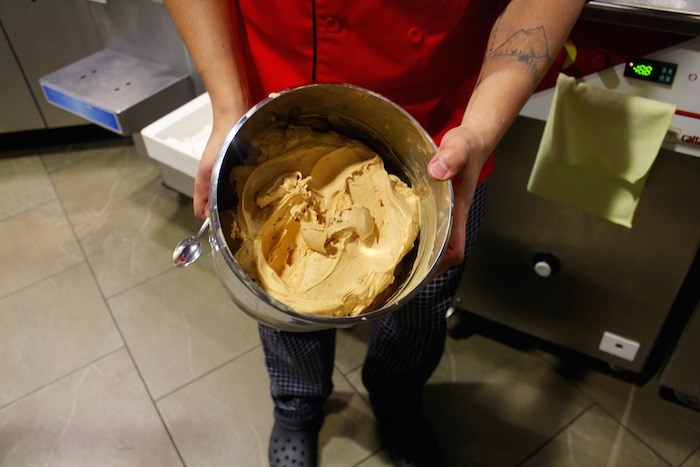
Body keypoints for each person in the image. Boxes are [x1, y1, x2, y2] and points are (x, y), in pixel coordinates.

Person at [164, 1, 585, 465]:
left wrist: (479, 132)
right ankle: (297, 405)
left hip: (441, 129)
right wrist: (227, 104)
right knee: (282, 306)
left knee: (420, 308)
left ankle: (397, 399)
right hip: (269, 89)